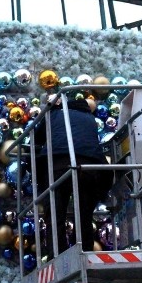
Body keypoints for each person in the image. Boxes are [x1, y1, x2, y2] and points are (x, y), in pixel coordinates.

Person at [33, 95, 113, 256]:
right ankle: (85, 253)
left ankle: (57, 256)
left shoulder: (54, 114)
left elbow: (37, 137)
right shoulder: (89, 118)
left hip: (58, 163)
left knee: (56, 214)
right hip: (90, 167)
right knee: (84, 214)